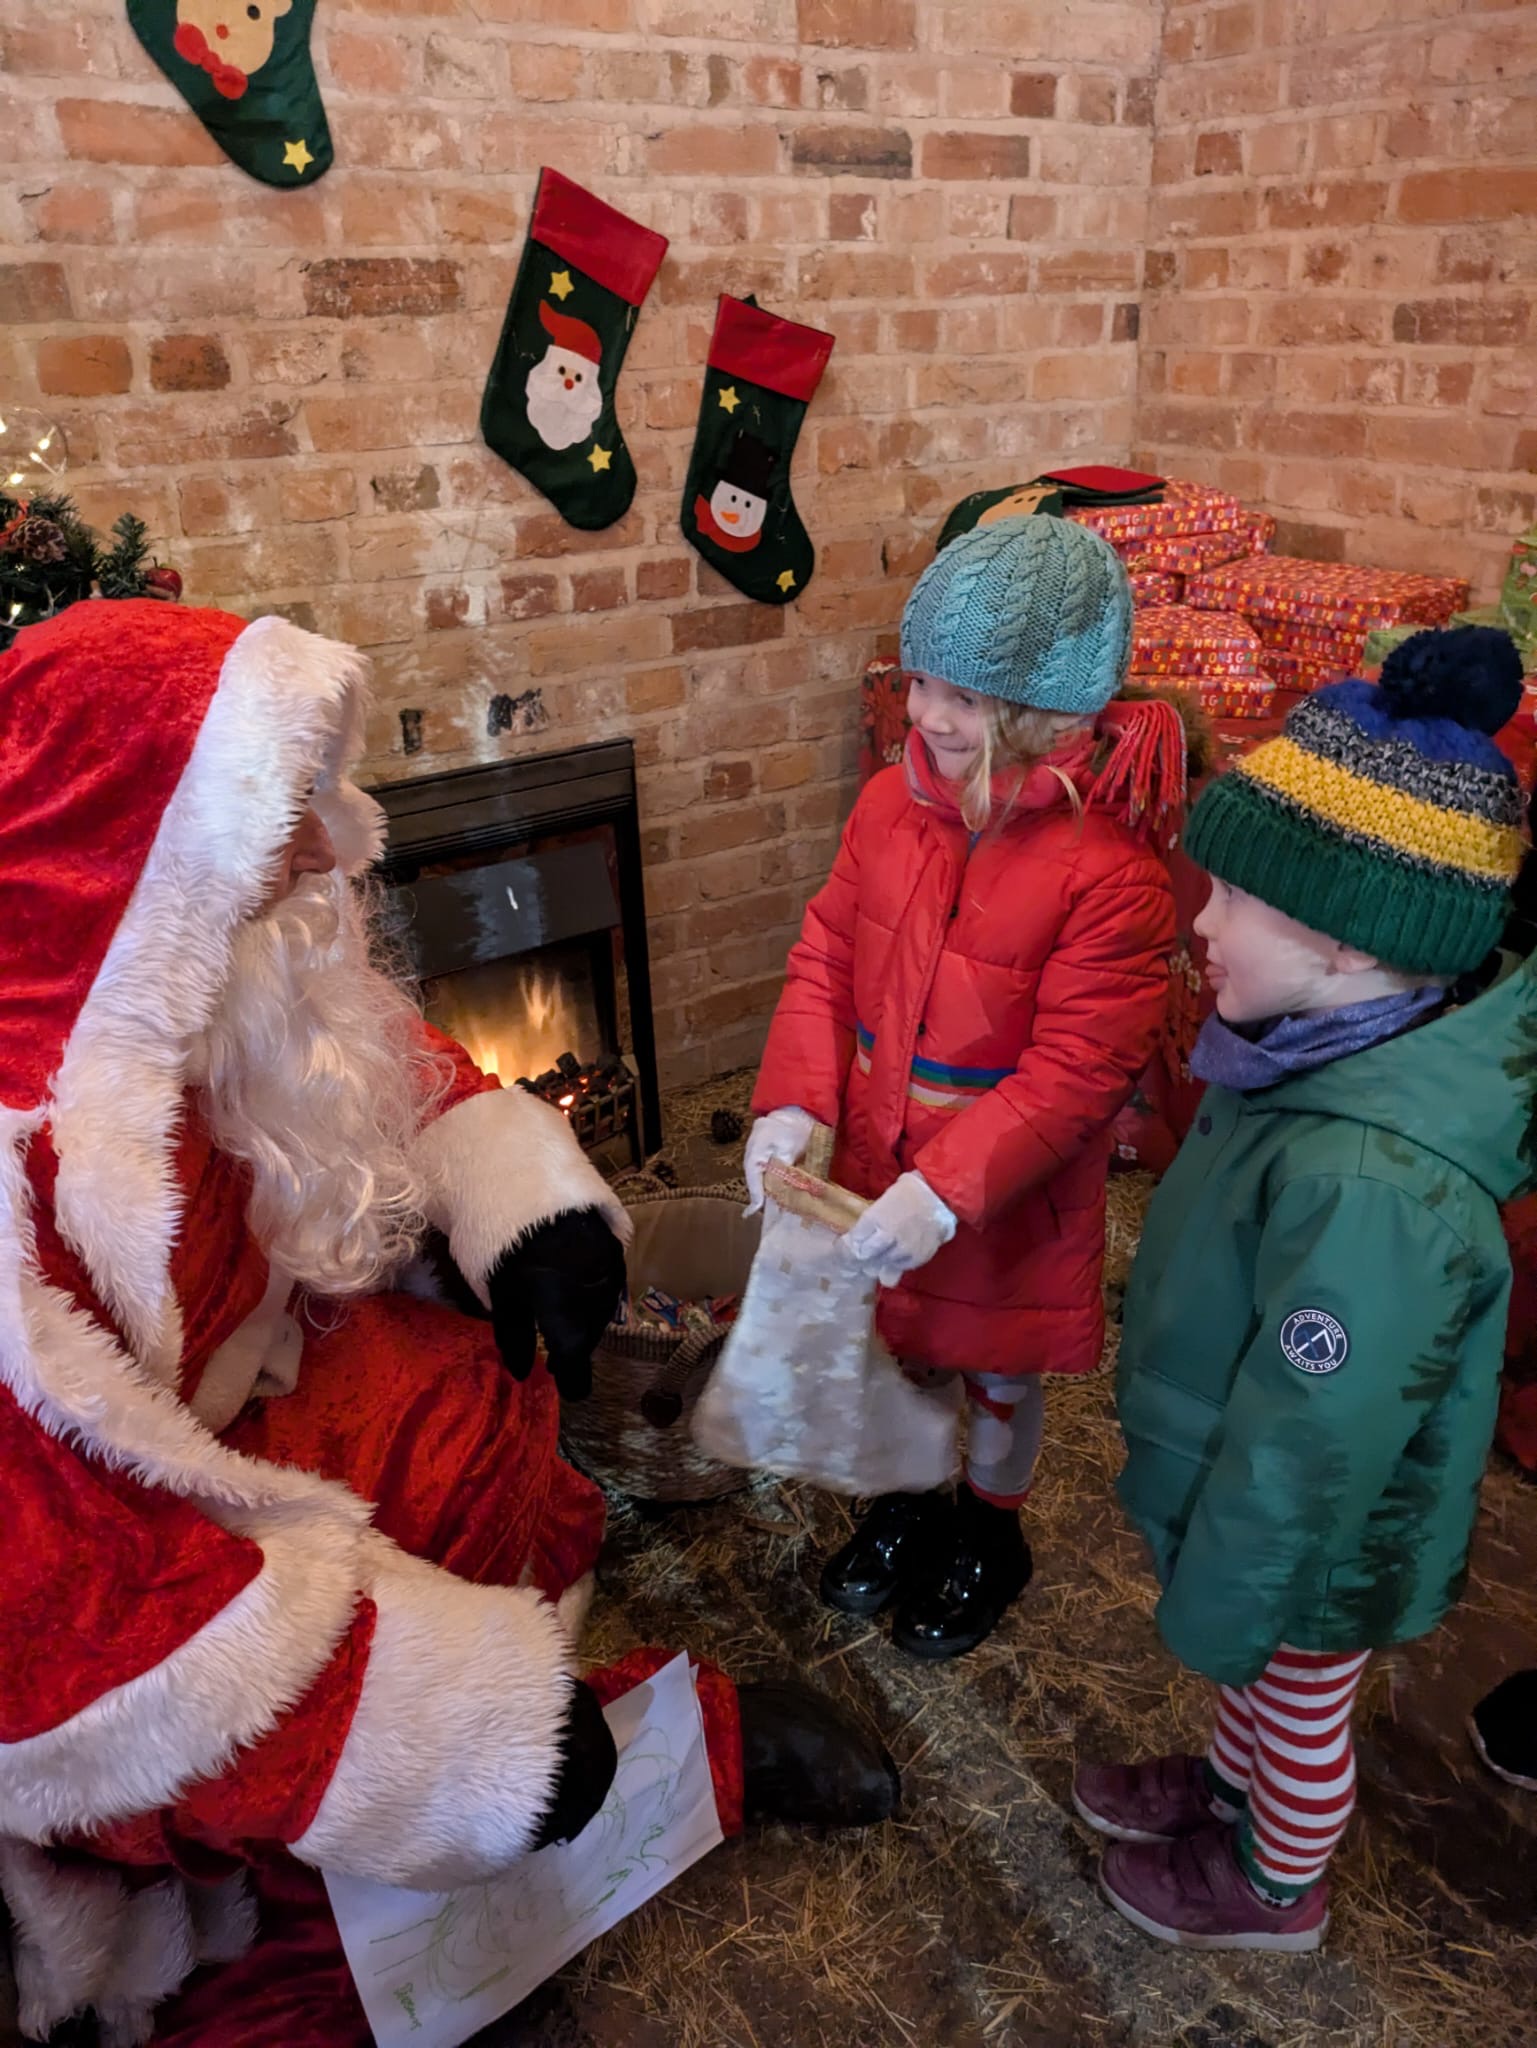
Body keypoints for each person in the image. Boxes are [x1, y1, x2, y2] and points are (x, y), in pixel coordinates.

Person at [0, 600, 896, 2048]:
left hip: (253, 1396)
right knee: (275, 1966)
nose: (326, 846)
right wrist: (455, 1751)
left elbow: (343, 1045)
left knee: (474, 1406)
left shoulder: (200, 965)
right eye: (275, 814)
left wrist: (514, 1193)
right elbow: (72, 1635)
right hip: (136, 1581)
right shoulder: (28, 1176)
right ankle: (442, 1839)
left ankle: (495, 1792)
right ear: (148, 861)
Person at [1077, 626, 1534, 1952]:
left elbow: (1315, 1439)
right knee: (1268, 1688)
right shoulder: (1301, 1053)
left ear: (1345, 945)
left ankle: (1276, 1885)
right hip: (1259, 1501)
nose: (1197, 920)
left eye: (1229, 901)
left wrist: (1230, 1583)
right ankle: (1228, 1792)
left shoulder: (1371, 1179)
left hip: (1314, 1528)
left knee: (1299, 1698)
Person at [745, 514, 1182, 1659]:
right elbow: (827, 952)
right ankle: (905, 1498)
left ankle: (990, 1527)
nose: (929, 713)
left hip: (998, 1197)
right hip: (875, 1159)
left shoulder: (1111, 873)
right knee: (897, 1344)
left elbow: (1076, 1071)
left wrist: (946, 1191)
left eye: (969, 699)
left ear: (1050, 714)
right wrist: (796, 1101)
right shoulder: (893, 804)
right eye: (924, 679)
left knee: (994, 1363)